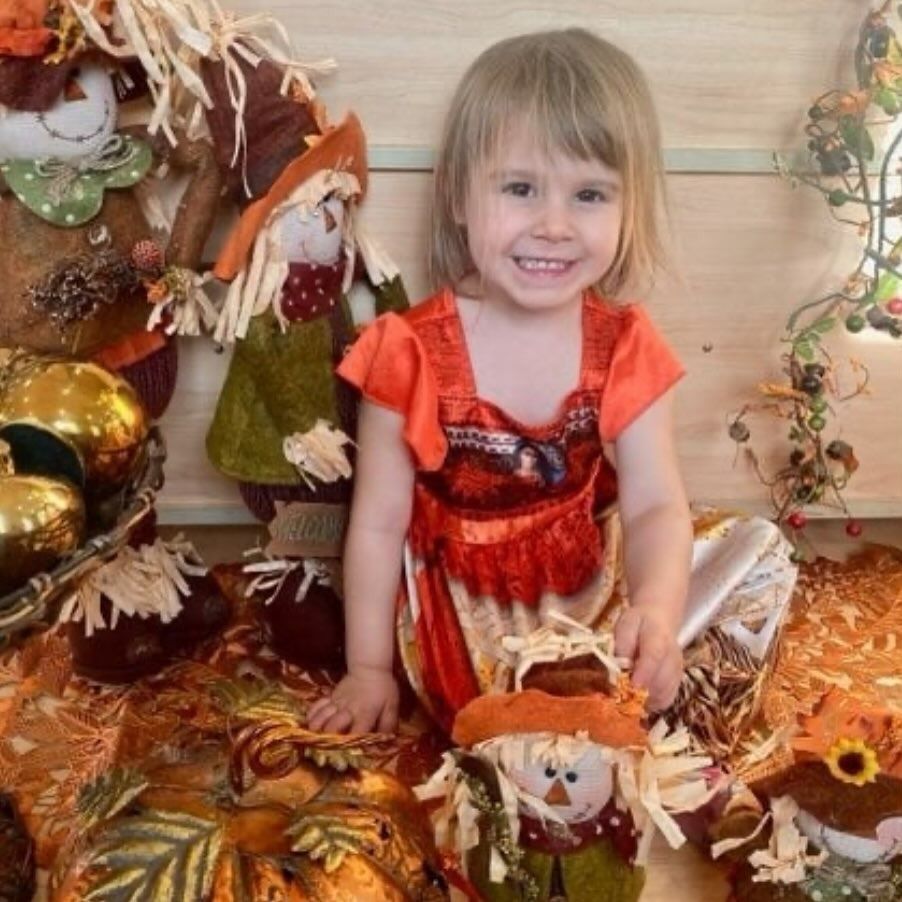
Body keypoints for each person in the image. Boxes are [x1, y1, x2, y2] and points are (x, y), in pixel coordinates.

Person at [308, 29, 795, 736]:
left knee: (760, 555)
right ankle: (570, 718)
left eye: (590, 194)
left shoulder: (623, 344)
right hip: (476, 617)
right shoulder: (410, 350)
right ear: (458, 198)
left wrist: (656, 617)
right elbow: (379, 524)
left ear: (628, 210)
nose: (554, 225)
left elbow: (658, 507)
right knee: (522, 714)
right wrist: (369, 670)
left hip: (595, 582)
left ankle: (651, 682)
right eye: (520, 188)